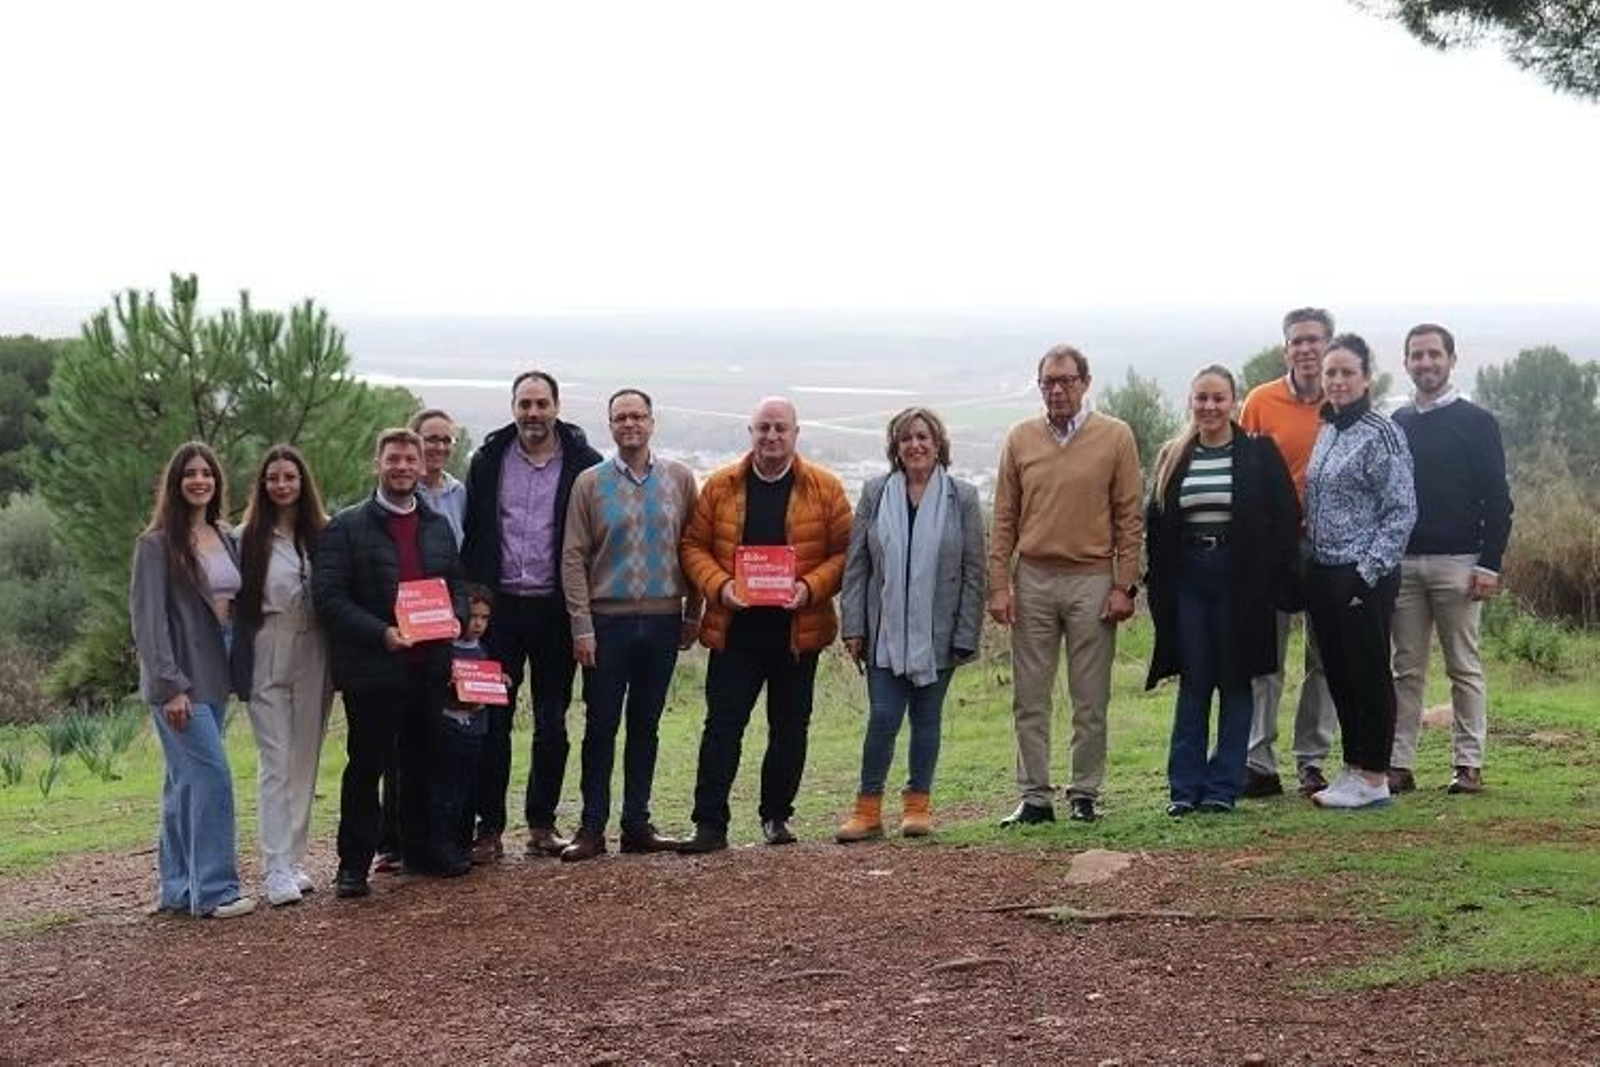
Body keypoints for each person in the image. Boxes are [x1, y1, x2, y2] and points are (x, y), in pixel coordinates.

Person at [679, 396, 852, 851]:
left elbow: (845, 553)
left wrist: (810, 588)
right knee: (722, 727)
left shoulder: (826, 488)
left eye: (780, 428)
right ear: (750, 433)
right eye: (763, 428)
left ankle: (777, 816)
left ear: (796, 434)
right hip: (734, 630)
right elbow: (693, 546)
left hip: (798, 632)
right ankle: (709, 825)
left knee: (790, 727)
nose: (771, 437)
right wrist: (721, 587)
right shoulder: (719, 486)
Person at [988, 344, 1143, 824]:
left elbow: (1129, 518)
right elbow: (1004, 516)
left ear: (1085, 383)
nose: (1057, 390)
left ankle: (1084, 793)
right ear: (1040, 386)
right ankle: (1034, 796)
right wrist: (999, 585)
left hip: (1092, 579)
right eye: (1049, 382)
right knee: (1030, 696)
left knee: (1090, 696)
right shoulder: (1020, 438)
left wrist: (1124, 585)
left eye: (1067, 381)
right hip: (1032, 577)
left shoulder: (1116, 437)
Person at [315, 428, 468, 897]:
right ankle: (353, 865)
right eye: (393, 459)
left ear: (423, 467)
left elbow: (456, 588)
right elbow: (329, 599)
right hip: (375, 669)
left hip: (428, 666)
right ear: (376, 465)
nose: (402, 467)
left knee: (423, 762)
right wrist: (381, 634)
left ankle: (421, 851)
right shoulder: (346, 526)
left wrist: (457, 619)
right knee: (366, 767)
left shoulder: (437, 525)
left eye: (410, 460)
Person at [1144, 367, 1300, 816]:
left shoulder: (1257, 454)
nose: (1209, 407)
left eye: (1218, 398)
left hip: (1241, 579)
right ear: (1190, 402)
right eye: (1201, 399)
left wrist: (1273, 577)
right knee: (1195, 680)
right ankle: (1183, 788)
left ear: (1233, 402)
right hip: (1189, 577)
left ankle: (1222, 787)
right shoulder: (1172, 456)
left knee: (1235, 679)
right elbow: (1156, 525)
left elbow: (1285, 517)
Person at [460, 370, 602, 861]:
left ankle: (542, 824)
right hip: (497, 612)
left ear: (557, 407)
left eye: (541, 404)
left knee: (552, 721)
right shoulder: (489, 460)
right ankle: (489, 828)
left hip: (554, 611)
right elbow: (474, 533)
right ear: (513, 406)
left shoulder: (585, 465)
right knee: (491, 719)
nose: (533, 413)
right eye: (525, 404)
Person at [558, 389, 702, 860]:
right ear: (610, 426)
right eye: (620, 418)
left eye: (637, 416)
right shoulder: (589, 483)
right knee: (600, 725)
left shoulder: (680, 479)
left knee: (646, 725)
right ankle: (592, 827)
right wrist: (581, 625)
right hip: (606, 623)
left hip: (662, 622)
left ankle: (637, 823)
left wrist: (693, 612)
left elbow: (693, 549)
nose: (630, 424)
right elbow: (573, 557)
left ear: (652, 422)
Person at [835, 407, 985, 841]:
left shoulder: (964, 498)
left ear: (938, 444)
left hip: (940, 634)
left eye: (923, 437)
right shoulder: (874, 492)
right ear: (895, 448)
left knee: (927, 719)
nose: (915, 445)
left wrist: (965, 633)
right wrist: (854, 626)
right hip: (883, 633)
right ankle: (867, 811)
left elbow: (975, 572)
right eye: (906, 439)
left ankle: (918, 807)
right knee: (883, 717)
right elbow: (857, 567)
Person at [130, 441, 254, 919]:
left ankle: (178, 888)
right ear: (175, 483)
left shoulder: (224, 535)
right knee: (211, 776)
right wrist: (171, 686)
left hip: (217, 668)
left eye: (206, 472)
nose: (199, 480)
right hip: (178, 675)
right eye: (190, 473)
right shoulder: (155, 544)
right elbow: (148, 622)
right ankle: (217, 891)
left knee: (183, 781)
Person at [1388, 324, 1513, 795]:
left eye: (1433, 355)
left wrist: (1490, 562)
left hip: (1460, 562)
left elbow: (1497, 499)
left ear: (1451, 360)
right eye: (1417, 356)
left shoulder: (1477, 422)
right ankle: (1399, 764)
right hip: (1404, 565)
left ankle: (1468, 764)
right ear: (1406, 364)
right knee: (1406, 669)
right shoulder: (1397, 424)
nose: (1425, 363)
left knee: (1464, 665)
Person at [1303, 334, 1417, 810]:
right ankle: (1352, 768)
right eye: (1331, 372)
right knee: (1340, 672)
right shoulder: (1329, 428)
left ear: (1366, 377)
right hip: (1324, 571)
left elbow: (1401, 512)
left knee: (1369, 672)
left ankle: (1374, 775)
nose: (1338, 380)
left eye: (1348, 371)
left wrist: (1366, 572)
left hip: (1362, 575)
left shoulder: (1382, 433)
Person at [1238, 308, 1342, 798]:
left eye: (1314, 340)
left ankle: (1312, 761)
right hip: (1271, 550)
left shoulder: (1344, 401)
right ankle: (1259, 762)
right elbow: (1242, 473)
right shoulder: (1260, 402)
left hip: (1329, 547)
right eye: (1297, 341)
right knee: (1265, 658)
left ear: (1329, 346)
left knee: (1324, 660)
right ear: (1286, 350)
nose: (1306, 349)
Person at [233, 444, 332, 906]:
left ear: (302, 482)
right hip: (268, 643)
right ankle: (273, 868)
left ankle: (293, 858)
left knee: (304, 760)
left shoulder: (321, 534)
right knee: (276, 759)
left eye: (289, 476)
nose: (281, 484)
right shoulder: (246, 537)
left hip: (316, 648)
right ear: (263, 484)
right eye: (273, 477)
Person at [431, 584, 500, 868]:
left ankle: (461, 843)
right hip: (449, 727)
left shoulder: (482, 651)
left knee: (469, 787)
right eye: (473, 616)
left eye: (484, 618)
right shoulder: (446, 651)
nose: (478, 623)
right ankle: (443, 844)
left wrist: (498, 682)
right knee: (447, 789)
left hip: (476, 730)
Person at [411, 408, 468, 546]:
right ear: (413, 442)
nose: (440, 447)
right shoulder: (402, 492)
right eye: (432, 439)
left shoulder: (458, 493)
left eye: (447, 440)